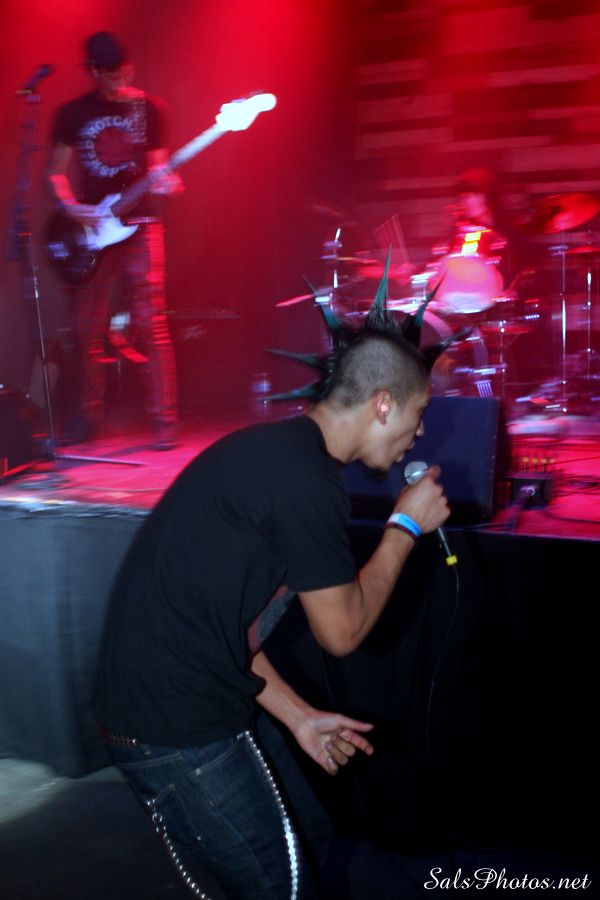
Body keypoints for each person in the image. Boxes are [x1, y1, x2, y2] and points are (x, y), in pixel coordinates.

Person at [94, 302, 451, 898]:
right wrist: (405, 528)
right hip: (173, 725)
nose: (419, 433)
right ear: (383, 404)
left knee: (311, 840)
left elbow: (225, 626)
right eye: (419, 414)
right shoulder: (304, 481)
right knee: (283, 887)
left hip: (186, 697)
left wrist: (299, 716)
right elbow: (342, 632)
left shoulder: (282, 456)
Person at [47, 31, 181, 449]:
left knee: (150, 320)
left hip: (141, 223)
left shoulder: (149, 108)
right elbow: (55, 173)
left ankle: (164, 419)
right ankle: (87, 416)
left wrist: (166, 182)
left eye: (122, 72)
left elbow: (158, 168)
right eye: (107, 74)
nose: (117, 81)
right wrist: (73, 208)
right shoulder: (73, 113)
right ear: (92, 71)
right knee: (86, 326)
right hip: (93, 229)